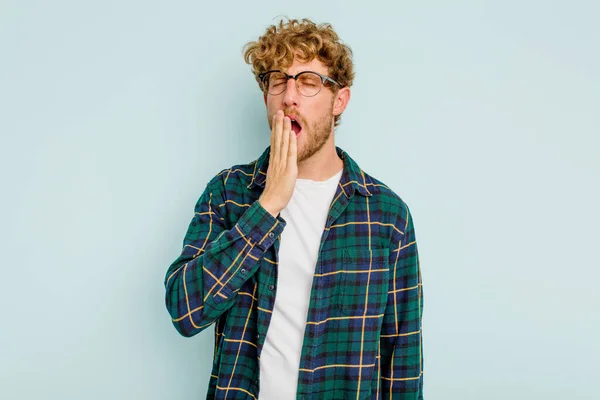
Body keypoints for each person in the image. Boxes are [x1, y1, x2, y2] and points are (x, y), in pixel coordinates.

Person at [164, 17, 423, 400]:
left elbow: (401, 361)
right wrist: (267, 206)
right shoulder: (229, 193)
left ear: (339, 100)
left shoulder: (387, 215)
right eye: (277, 81)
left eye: (307, 81)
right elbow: (186, 312)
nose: (289, 96)